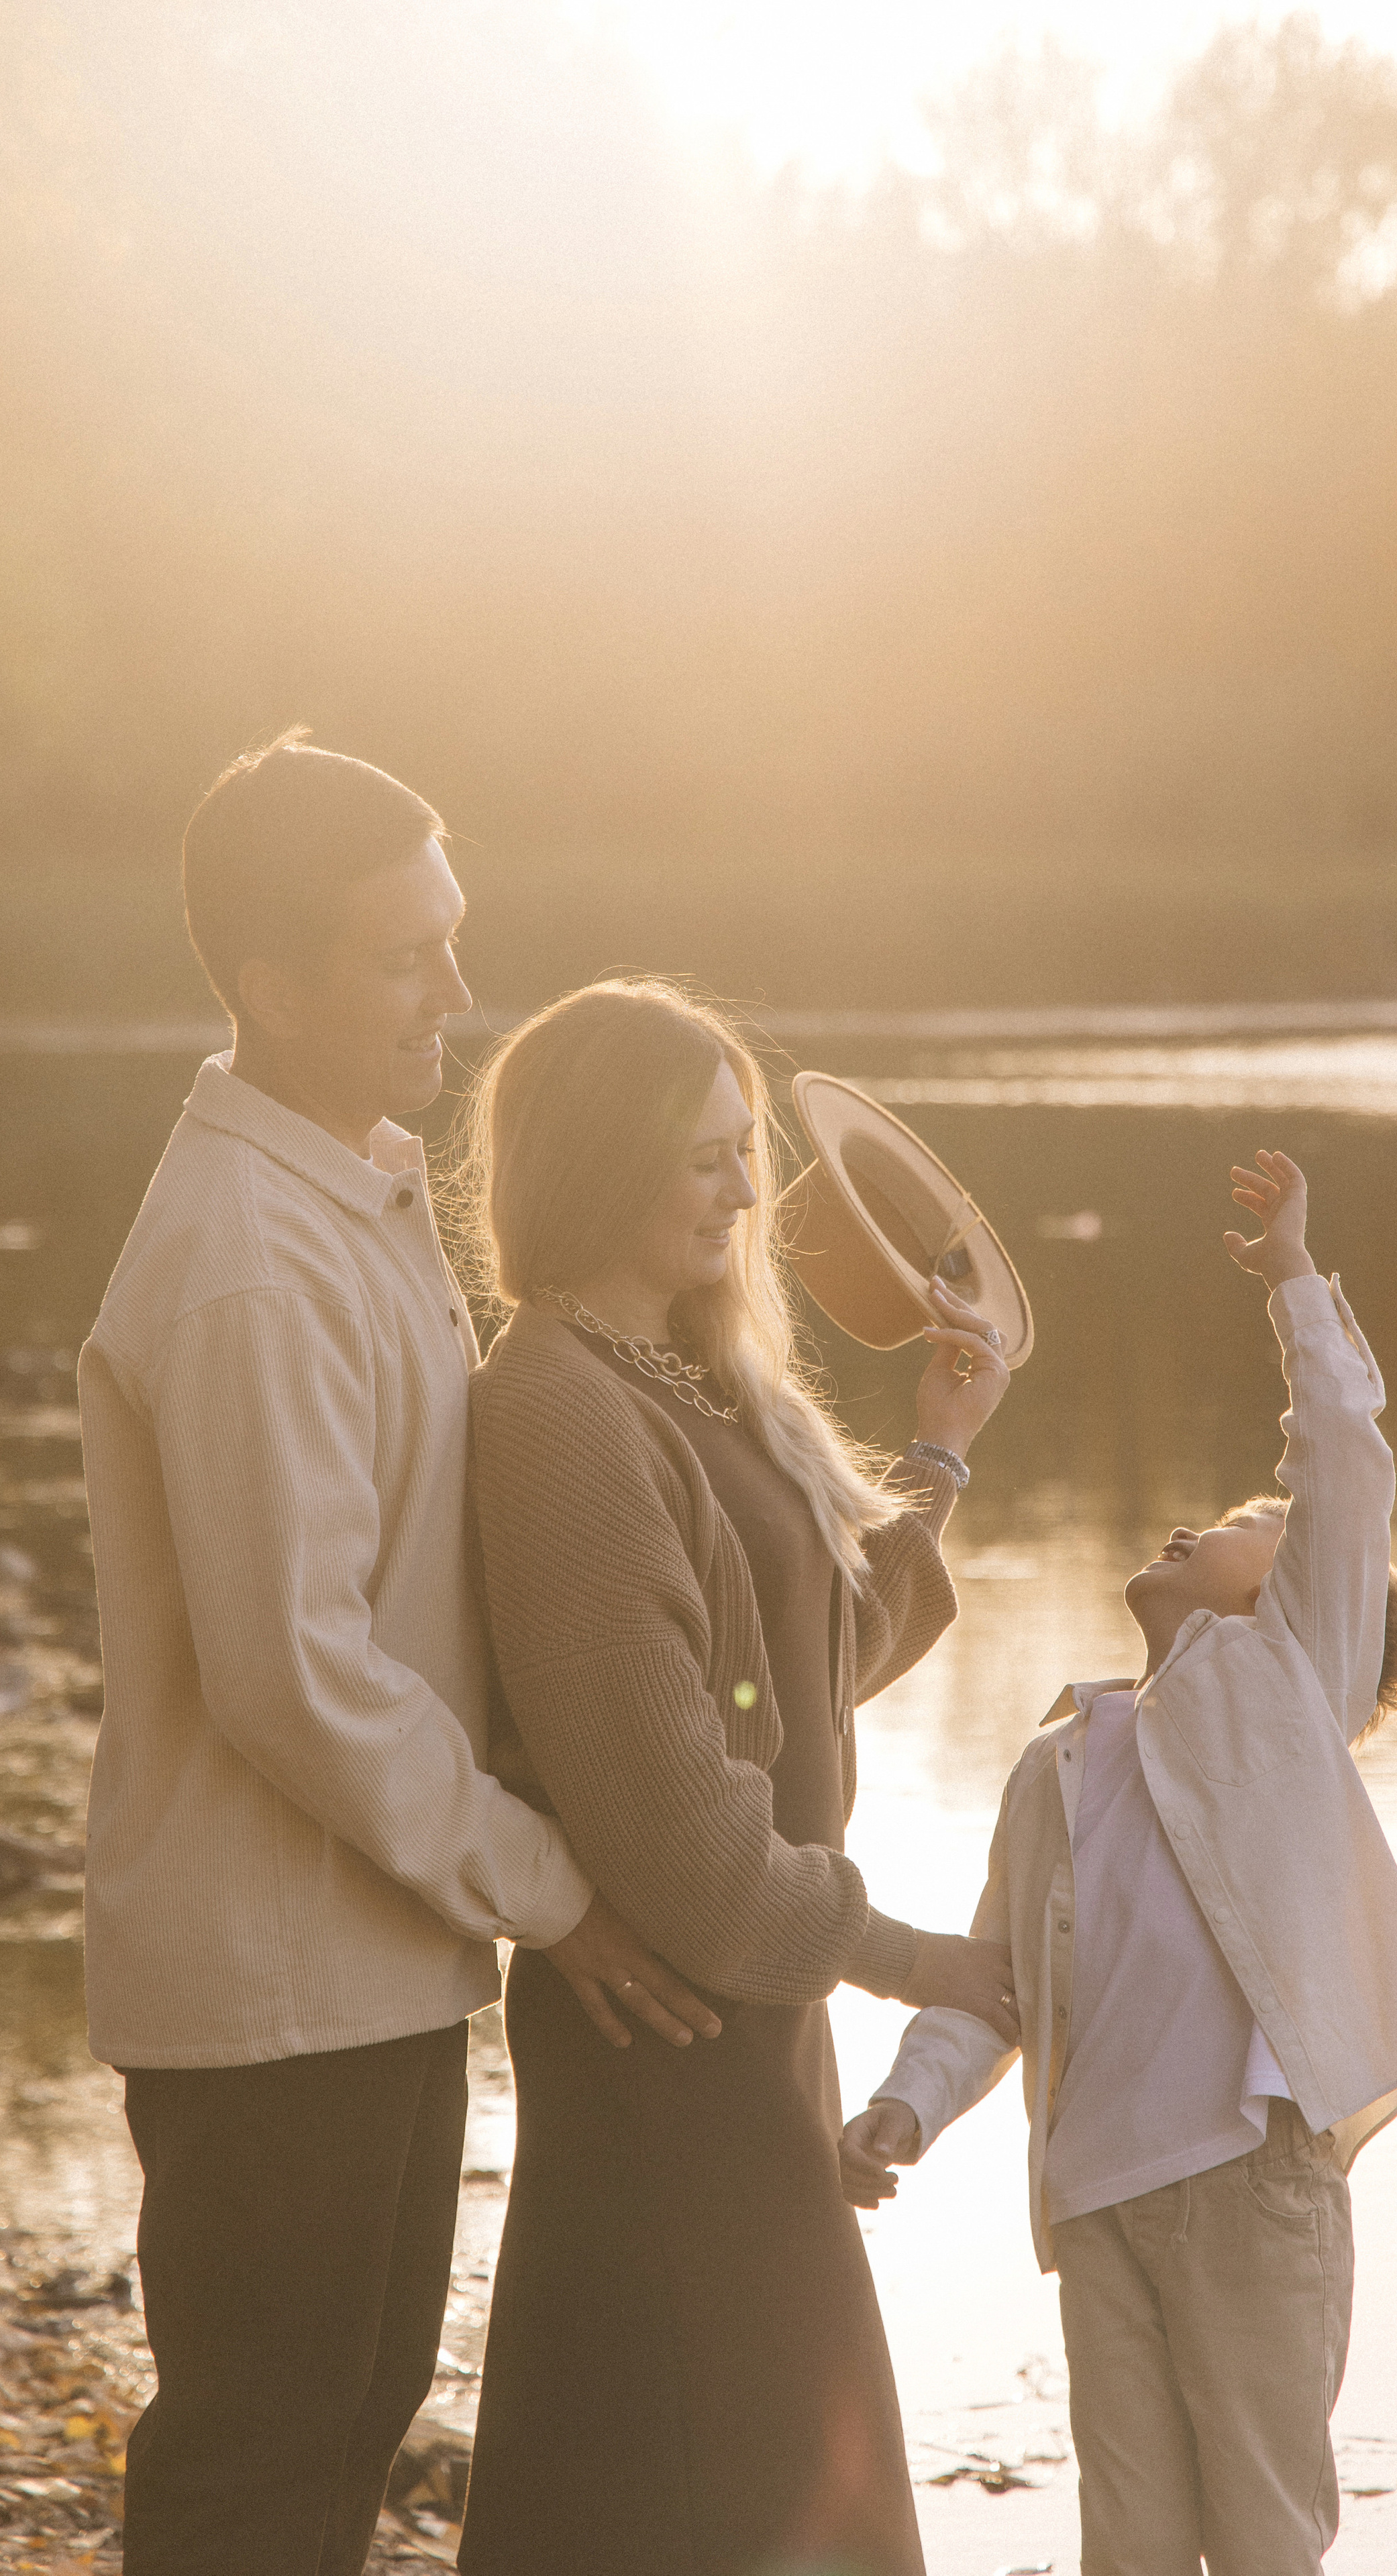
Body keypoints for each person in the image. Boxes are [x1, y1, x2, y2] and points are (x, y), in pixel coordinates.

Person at [78, 733, 717, 2576]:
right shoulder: (248, 1268)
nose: (456, 989)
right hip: (276, 1988)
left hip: (367, 1960)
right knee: (259, 2470)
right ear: (270, 988)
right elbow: (296, 1673)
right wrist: (550, 1887)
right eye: (401, 956)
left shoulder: (349, 1184)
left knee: (337, 2440)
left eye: (454, 938)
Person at [452, 979, 1021, 2576]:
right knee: (696, 2493)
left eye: (742, 1151)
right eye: (698, 1157)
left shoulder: (686, 1374)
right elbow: (692, 1854)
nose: (745, 1190)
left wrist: (938, 1461)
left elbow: (802, 1665)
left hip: (756, 2031)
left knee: (769, 2493)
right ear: (589, 1161)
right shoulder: (556, 1410)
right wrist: (919, 1962)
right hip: (672, 2047)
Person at [841, 1150, 1397, 2576]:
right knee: (1128, 2544)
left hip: (1250, 2177)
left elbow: (1342, 1461)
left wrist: (1294, 1278)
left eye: (1254, 1532)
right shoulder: (1060, 1759)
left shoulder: (1282, 1686)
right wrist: (901, 2108)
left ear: (1311, 1609)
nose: (1209, 1523)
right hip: (1098, 2198)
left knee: (1255, 2533)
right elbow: (992, 1984)